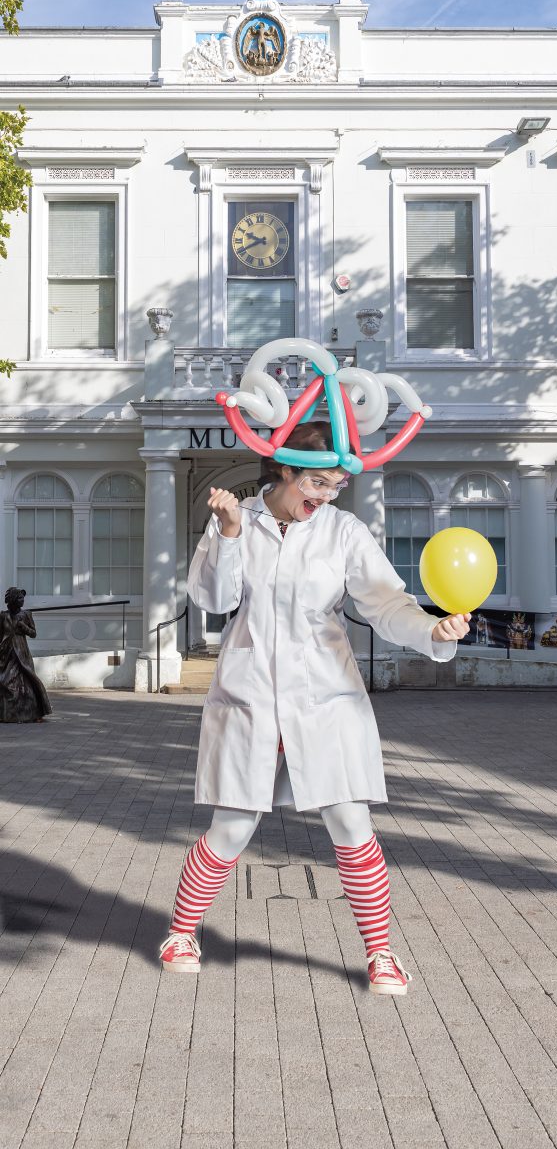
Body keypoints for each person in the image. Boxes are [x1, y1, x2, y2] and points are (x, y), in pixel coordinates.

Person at [159, 422, 469, 994]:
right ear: (284, 469)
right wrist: (228, 533)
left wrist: (434, 628)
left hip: (326, 696)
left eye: (334, 486)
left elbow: (386, 604)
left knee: (352, 824)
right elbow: (213, 600)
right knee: (231, 826)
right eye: (317, 482)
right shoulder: (239, 520)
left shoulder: (343, 531)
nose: (324, 495)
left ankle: (380, 954)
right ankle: (181, 932)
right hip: (250, 694)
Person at [0, 587, 52, 724]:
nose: (22, 600)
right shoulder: (3, 616)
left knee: (26, 682)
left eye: (22, 598)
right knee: (5, 681)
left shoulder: (26, 615)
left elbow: (33, 634)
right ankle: (7, 714)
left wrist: (24, 627)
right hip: (6, 652)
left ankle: (30, 713)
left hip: (21, 652)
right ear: (11, 600)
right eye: (19, 598)